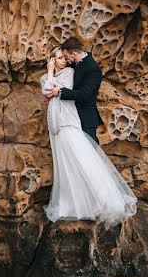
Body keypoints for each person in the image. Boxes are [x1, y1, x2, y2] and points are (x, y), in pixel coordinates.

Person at [40, 46, 137, 227]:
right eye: (59, 58)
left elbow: (56, 90)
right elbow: (46, 90)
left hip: (69, 120)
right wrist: (50, 72)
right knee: (65, 164)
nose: (64, 61)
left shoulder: (69, 72)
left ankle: (102, 200)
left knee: (82, 159)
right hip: (54, 124)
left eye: (64, 57)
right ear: (52, 59)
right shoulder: (46, 76)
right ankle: (75, 204)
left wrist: (51, 76)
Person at [43, 37, 103, 143]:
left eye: (66, 57)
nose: (66, 61)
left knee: (89, 150)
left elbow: (85, 94)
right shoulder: (73, 63)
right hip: (69, 115)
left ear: (74, 54)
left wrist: (60, 92)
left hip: (85, 117)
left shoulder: (93, 69)